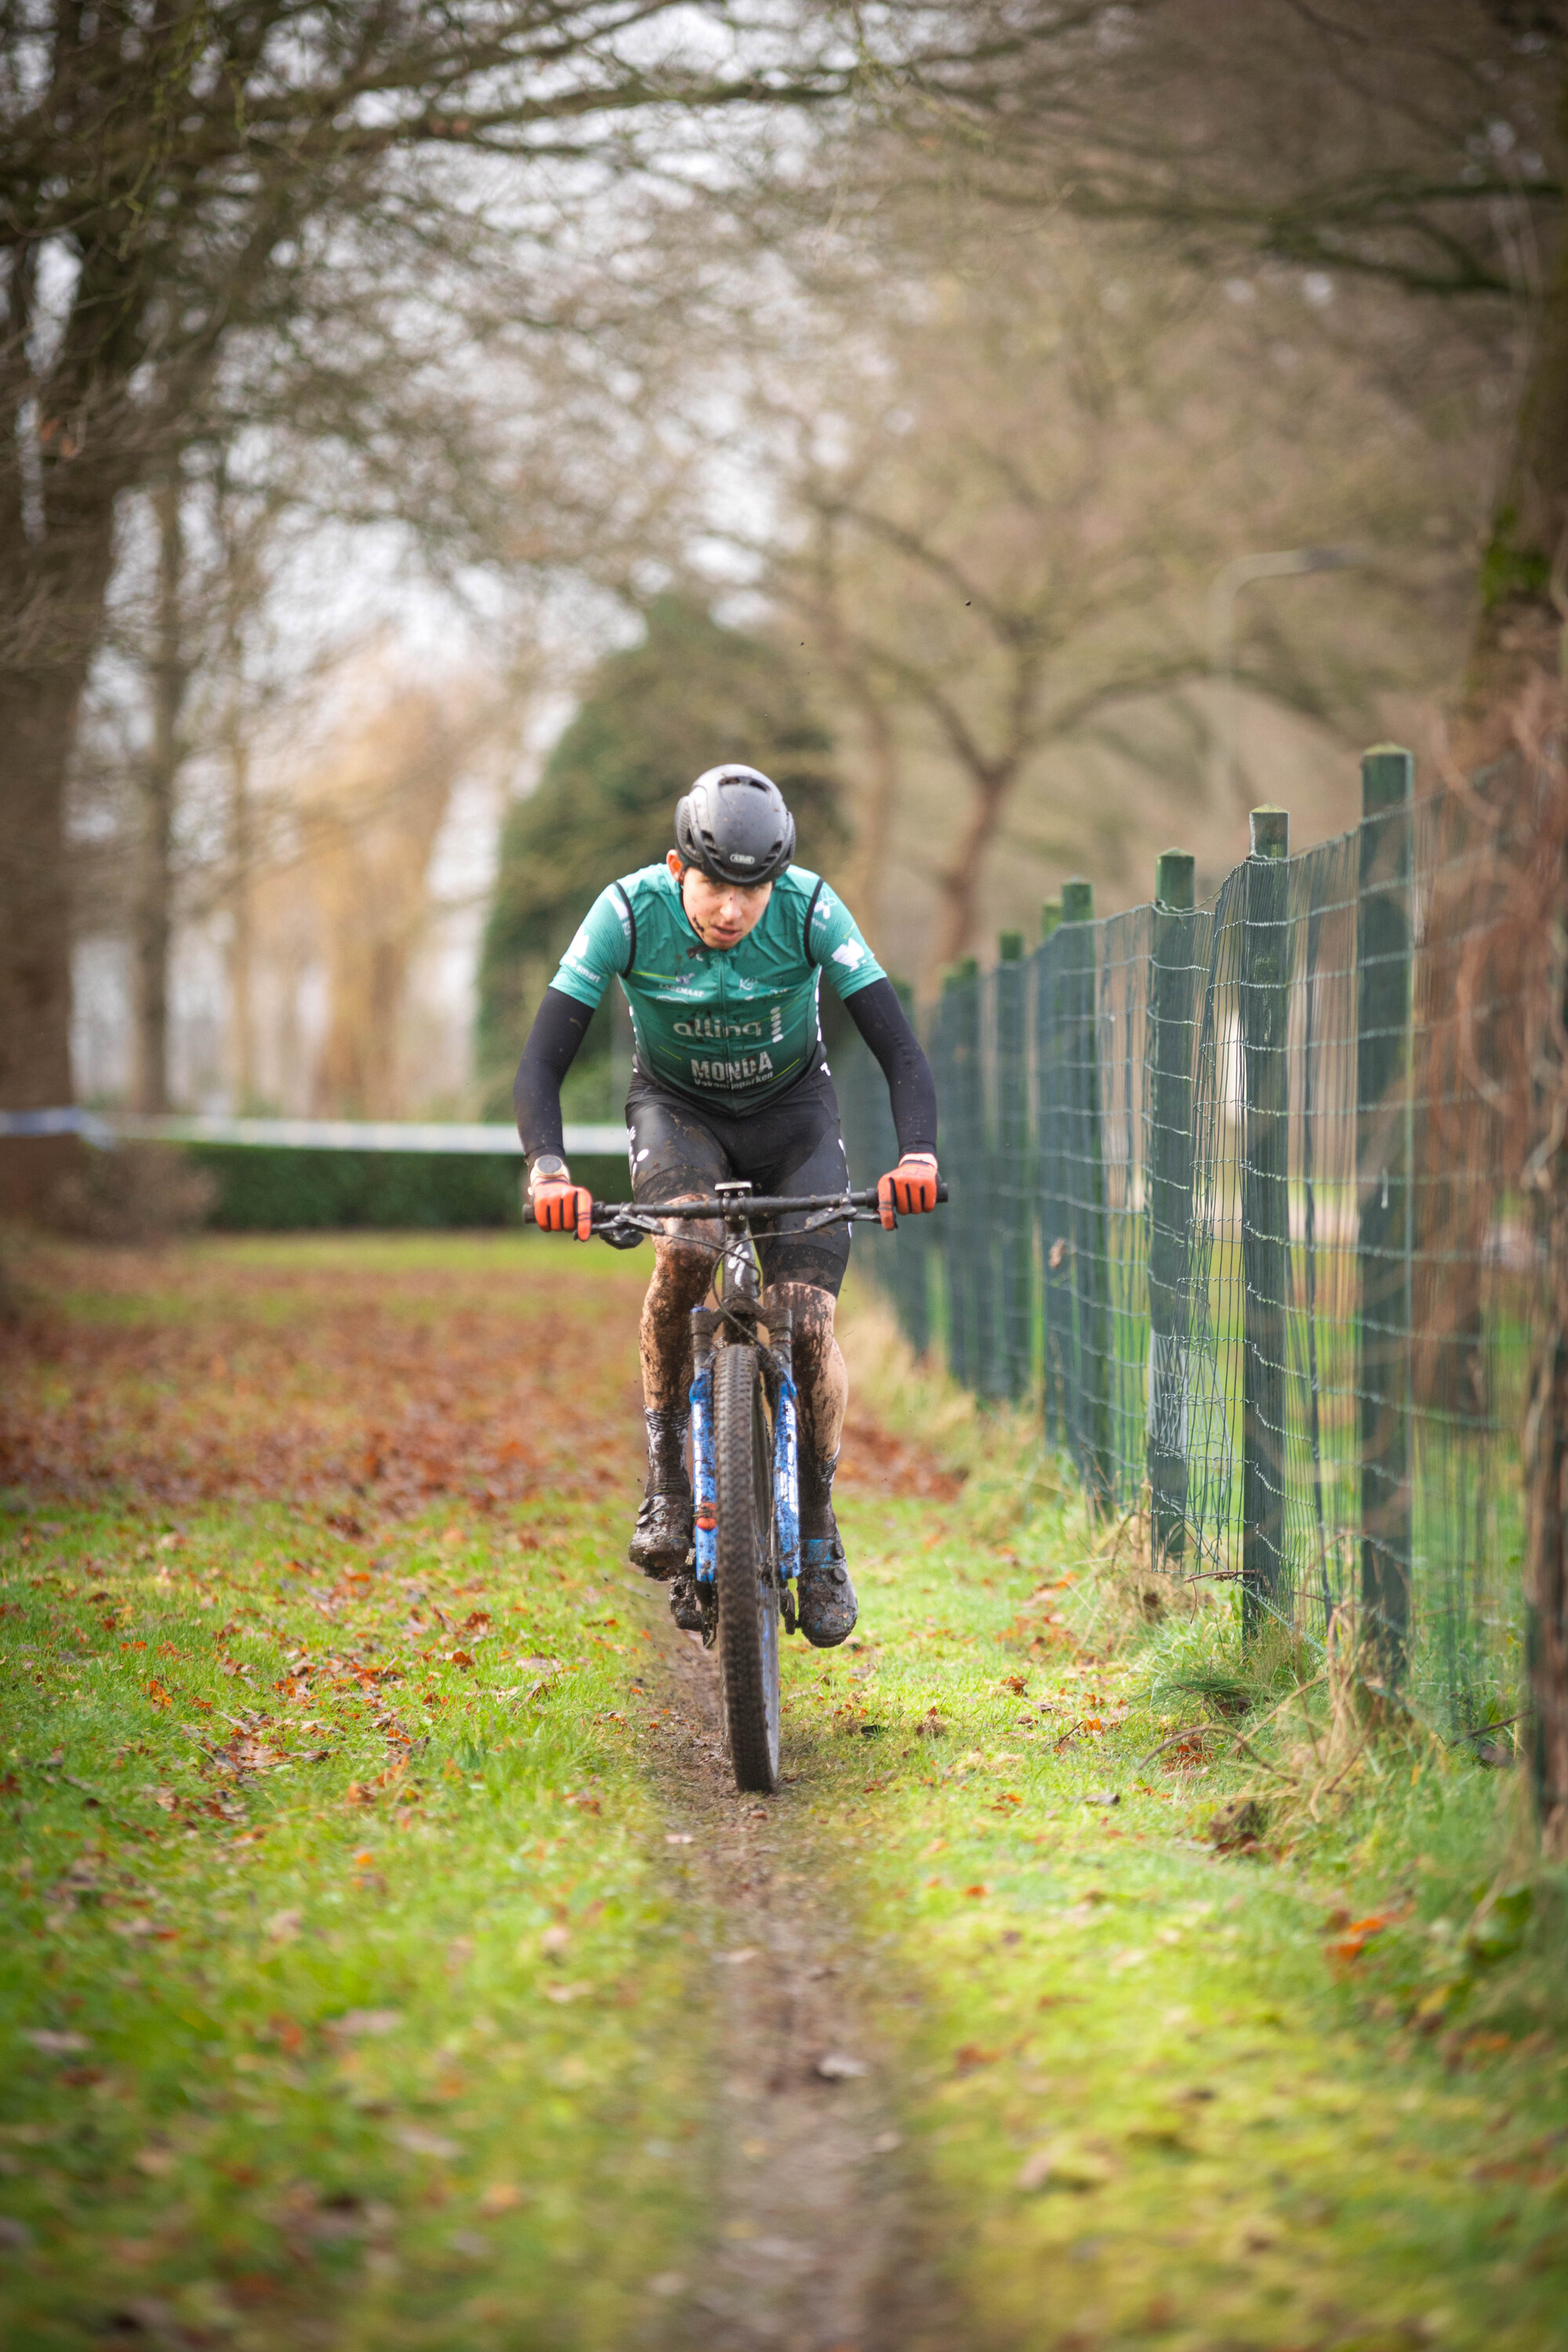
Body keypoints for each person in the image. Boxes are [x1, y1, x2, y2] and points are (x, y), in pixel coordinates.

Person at [513, 764, 941, 1647]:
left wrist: (917, 1156)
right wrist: (549, 1169)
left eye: (752, 889)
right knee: (687, 1250)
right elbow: (540, 1063)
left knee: (806, 1319)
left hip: (793, 1120)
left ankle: (819, 1537)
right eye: (713, 885)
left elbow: (897, 1048)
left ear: (775, 882)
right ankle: (668, 1481)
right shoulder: (627, 912)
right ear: (678, 868)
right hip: (679, 1120)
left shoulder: (814, 910)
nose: (731, 910)